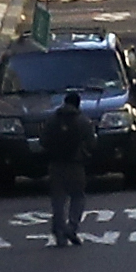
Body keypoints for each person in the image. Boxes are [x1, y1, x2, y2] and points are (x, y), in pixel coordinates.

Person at [39, 91, 95, 245]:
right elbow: (91, 143)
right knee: (78, 197)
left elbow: (43, 141)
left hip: (56, 164)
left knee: (58, 199)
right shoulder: (83, 121)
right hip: (75, 164)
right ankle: (72, 227)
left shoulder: (52, 120)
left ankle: (59, 231)